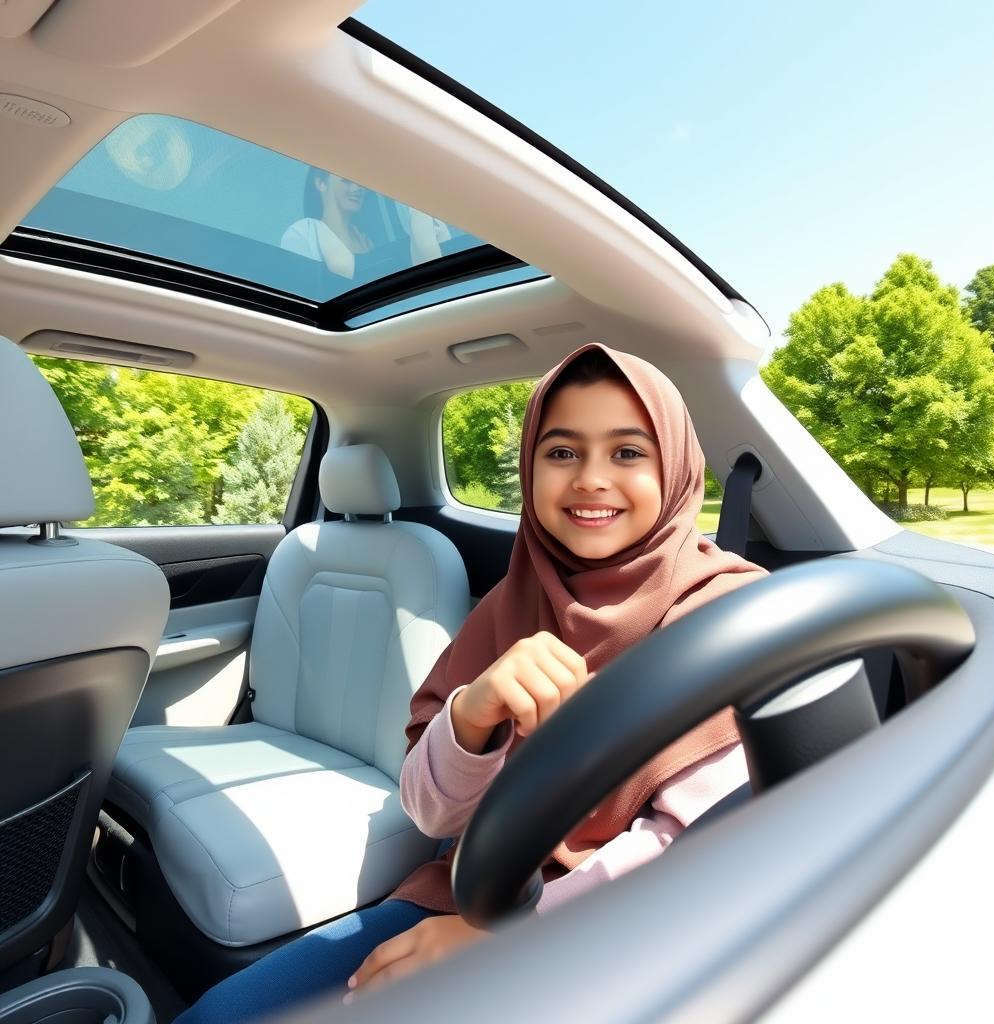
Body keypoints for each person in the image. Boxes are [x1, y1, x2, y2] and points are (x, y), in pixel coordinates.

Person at [174, 343, 767, 1023]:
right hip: (469, 889)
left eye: (628, 453)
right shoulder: (506, 607)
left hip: (627, 937)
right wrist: (472, 713)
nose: (591, 479)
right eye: (562, 452)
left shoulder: (727, 614)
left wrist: (508, 938)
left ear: (677, 468)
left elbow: (694, 847)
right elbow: (431, 813)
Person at [280, 166, 449, 279]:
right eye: (346, 180)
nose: (357, 188)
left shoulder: (369, 241)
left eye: (360, 180)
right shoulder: (303, 234)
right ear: (320, 183)